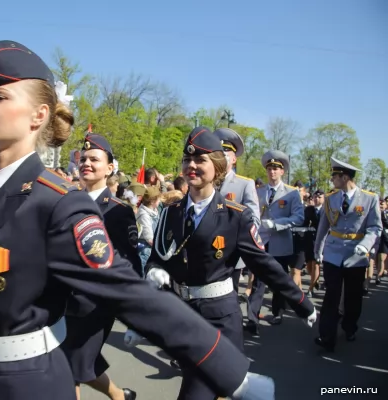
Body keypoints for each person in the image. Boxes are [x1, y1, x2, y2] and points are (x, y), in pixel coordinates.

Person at [0, 40, 274, 400]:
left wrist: (230, 371)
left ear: (39, 115)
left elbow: (126, 291)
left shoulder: (56, 202)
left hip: (30, 382)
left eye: (0, 97)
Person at [128, 127, 315, 399]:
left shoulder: (235, 217)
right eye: (187, 160)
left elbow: (264, 264)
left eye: (200, 160)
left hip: (218, 320)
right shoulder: (170, 213)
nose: (191, 166)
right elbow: (158, 258)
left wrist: (302, 303)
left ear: (216, 168)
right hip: (181, 317)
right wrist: (154, 273)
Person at [63, 134, 141, 400]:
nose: (86, 163)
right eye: (83, 158)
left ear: (110, 168)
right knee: (81, 363)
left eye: (94, 159)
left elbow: (130, 264)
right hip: (63, 300)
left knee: (68, 367)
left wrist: (133, 315)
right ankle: (120, 396)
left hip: (94, 304)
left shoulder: (119, 210)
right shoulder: (67, 201)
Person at [313, 157, 381, 352]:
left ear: (344, 177)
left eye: (334, 176)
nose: (332, 179)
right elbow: (323, 228)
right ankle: (327, 336)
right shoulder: (331, 198)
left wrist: (366, 246)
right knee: (331, 296)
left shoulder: (369, 198)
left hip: (356, 253)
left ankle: (350, 326)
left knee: (353, 296)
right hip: (333, 253)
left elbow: (375, 228)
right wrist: (318, 250)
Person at [246, 150, 304, 335]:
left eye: (276, 169)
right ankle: (252, 317)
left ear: (282, 172)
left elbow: (299, 217)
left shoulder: (292, 193)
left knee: (279, 279)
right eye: (269, 168)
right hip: (262, 241)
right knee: (258, 280)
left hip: (280, 241)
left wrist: (278, 224)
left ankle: (278, 311)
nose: (272, 172)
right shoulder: (259, 191)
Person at [213, 128, 260, 293]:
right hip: (206, 252)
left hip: (231, 254)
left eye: (226, 153)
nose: (222, 156)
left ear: (234, 158)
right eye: (218, 153)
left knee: (229, 299)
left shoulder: (245, 184)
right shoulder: (206, 182)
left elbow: (254, 219)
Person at [303, 189, 325, 297]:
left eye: (319, 197)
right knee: (309, 266)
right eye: (315, 197)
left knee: (316, 264)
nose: (317, 199)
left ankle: (310, 289)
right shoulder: (309, 209)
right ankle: (315, 281)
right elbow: (304, 223)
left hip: (320, 240)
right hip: (309, 240)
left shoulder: (326, 210)